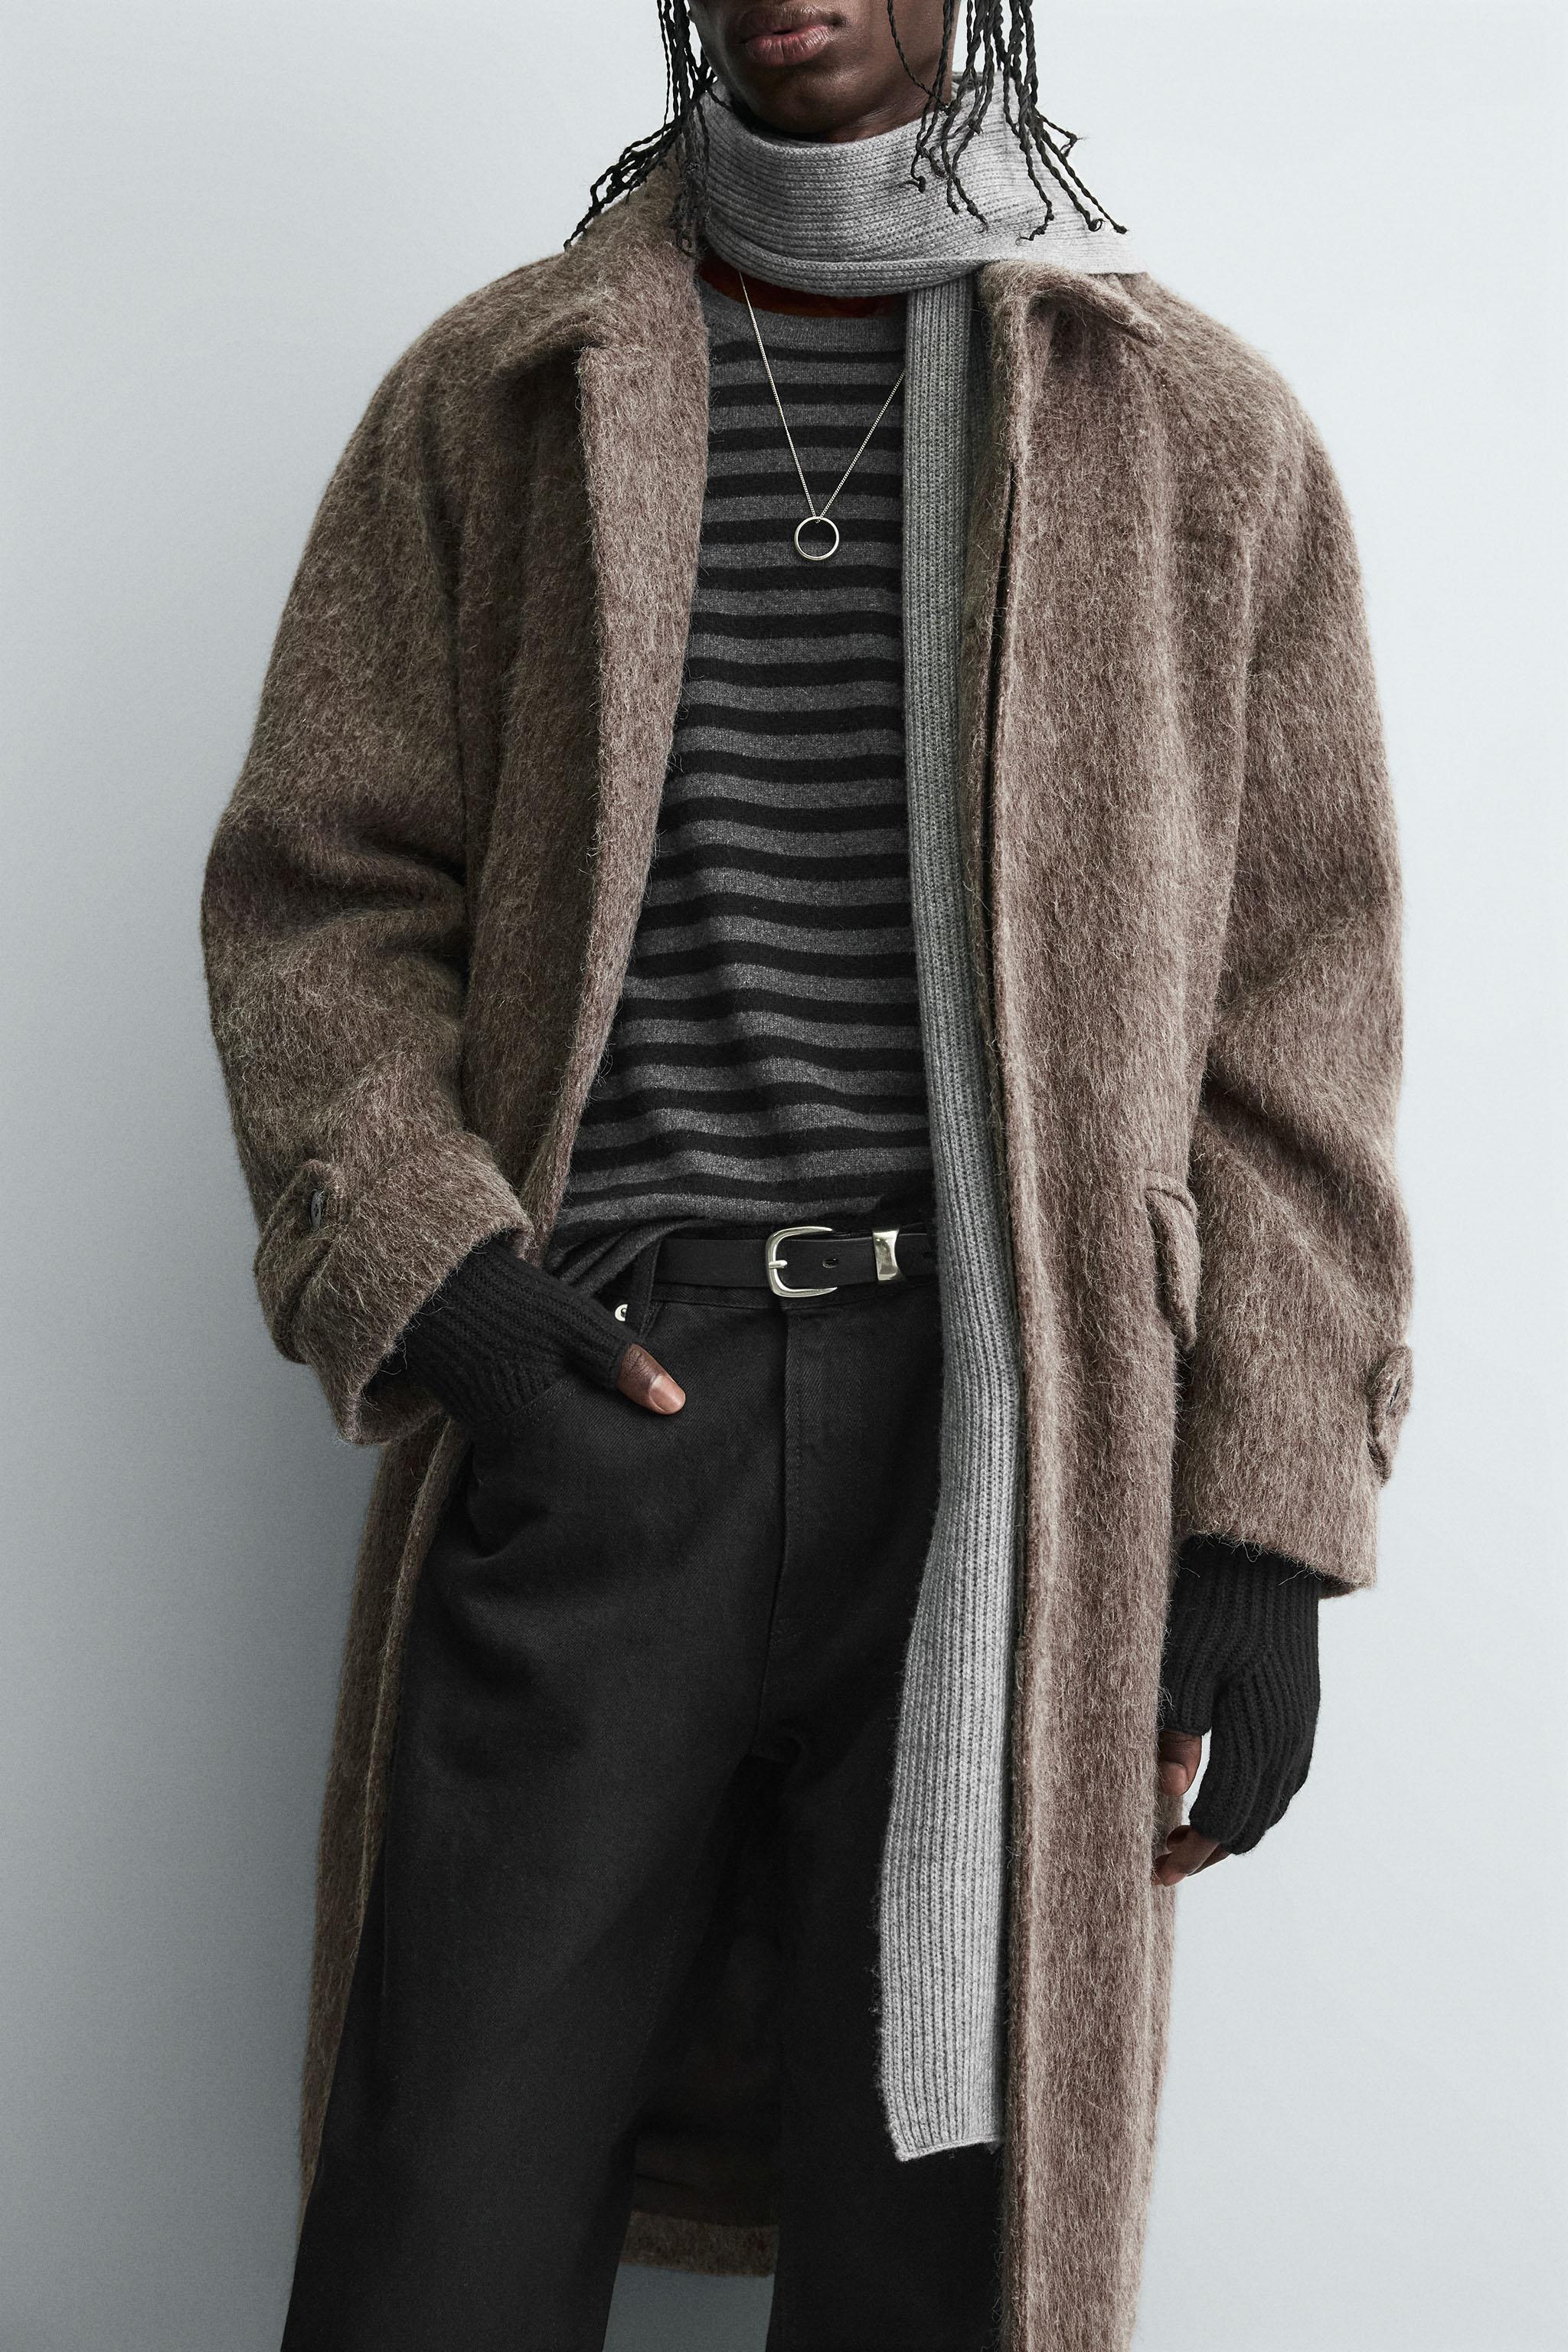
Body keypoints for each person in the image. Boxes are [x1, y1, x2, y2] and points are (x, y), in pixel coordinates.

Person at [200, 2, 1414, 2346]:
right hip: (605, 1404)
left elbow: (1299, 1010)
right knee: (435, 2224)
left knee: (942, 2261)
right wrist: (441, 1279)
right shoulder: (504, 397)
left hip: (1008, 1457)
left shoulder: (1190, 430)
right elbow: (319, 888)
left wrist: (1266, 1533)